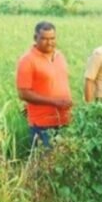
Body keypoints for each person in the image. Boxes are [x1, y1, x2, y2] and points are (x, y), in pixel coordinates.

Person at [16, 20, 73, 148]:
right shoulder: (27, 60)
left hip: (64, 119)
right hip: (42, 123)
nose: (49, 42)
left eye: (52, 38)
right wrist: (54, 102)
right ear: (35, 38)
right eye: (44, 39)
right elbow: (23, 93)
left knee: (63, 162)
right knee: (45, 163)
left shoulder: (60, 56)